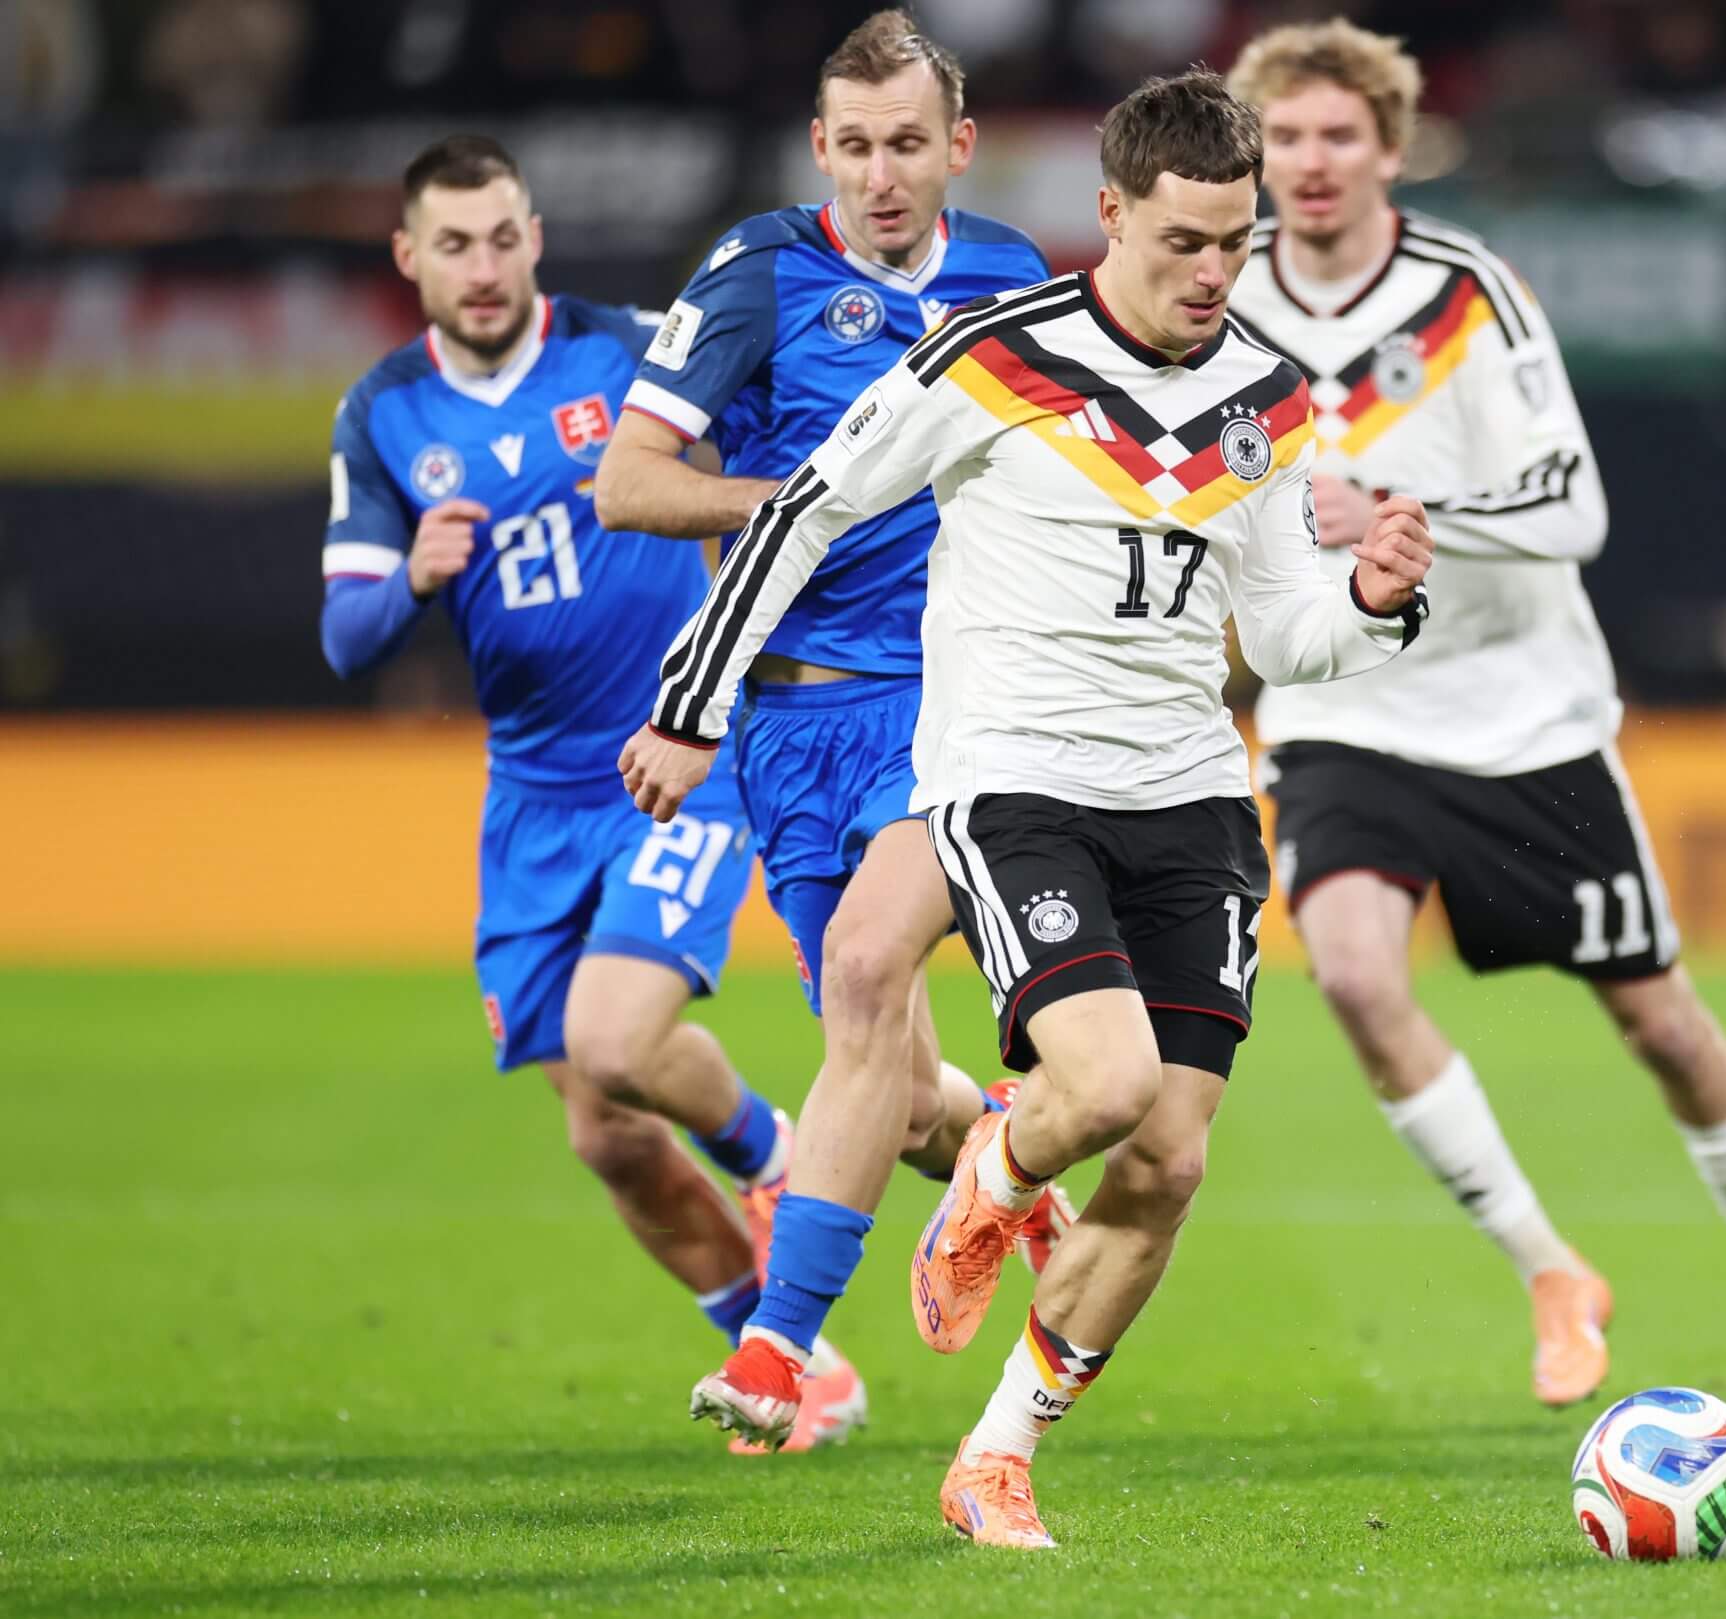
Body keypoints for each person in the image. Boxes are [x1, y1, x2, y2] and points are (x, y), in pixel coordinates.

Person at [620, 69, 1436, 1546]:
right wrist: (695, 699)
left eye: (1234, 243)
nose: (1213, 272)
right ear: (1111, 214)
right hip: (1018, 782)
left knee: (1169, 1161)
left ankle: (997, 1455)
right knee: (1104, 1087)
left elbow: (1280, 631)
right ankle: (984, 1177)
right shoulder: (993, 359)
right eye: (1183, 241)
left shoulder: (1266, 397)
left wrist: (1373, 602)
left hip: (1193, 796)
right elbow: (805, 510)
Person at [1221, 19, 1726, 1422]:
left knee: (1659, 1023)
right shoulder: (1223, 296)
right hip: (1340, 707)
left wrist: (1395, 510)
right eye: (1287, 137)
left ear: (1391, 149)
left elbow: (1577, 509)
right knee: (1356, 976)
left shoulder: (1467, 292)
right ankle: (1551, 1271)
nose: (1311, 161)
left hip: (1519, 714)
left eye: (1338, 135)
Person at [319, 135, 860, 1450]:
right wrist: (414, 580)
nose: (484, 266)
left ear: (537, 239)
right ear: (409, 257)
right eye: (455, 244)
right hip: (531, 802)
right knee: (607, 1135)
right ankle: (790, 1364)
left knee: (618, 1037)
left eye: (503, 237)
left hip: (674, 760)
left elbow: (771, 461)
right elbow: (346, 637)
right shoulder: (384, 414)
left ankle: (778, 1159)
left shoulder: (629, 352)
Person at [591, 10, 1071, 1442]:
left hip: (948, 712)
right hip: (787, 726)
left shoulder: (1011, 279)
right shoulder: (757, 273)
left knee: (864, 981)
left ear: (959, 146)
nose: (880, 175)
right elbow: (627, 483)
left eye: (907, 144)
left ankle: (777, 1350)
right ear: (819, 147)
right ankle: (1007, 1149)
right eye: (854, 146)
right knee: (900, 1092)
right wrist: (798, 505)